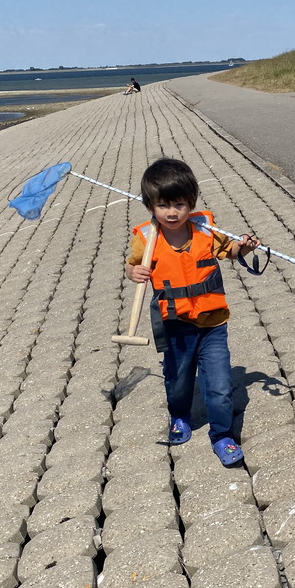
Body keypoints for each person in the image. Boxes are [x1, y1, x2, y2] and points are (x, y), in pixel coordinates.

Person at [125, 158, 260, 464]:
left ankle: (222, 434)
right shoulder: (145, 238)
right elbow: (132, 265)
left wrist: (246, 247)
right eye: (163, 206)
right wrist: (133, 273)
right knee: (178, 379)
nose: (172, 212)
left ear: (192, 203)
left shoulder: (206, 229)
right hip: (175, 325)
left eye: (180, 204)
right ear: (150, 206)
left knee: (220, 384)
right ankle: (179, 415)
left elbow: (232, 251)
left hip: (213, 324)